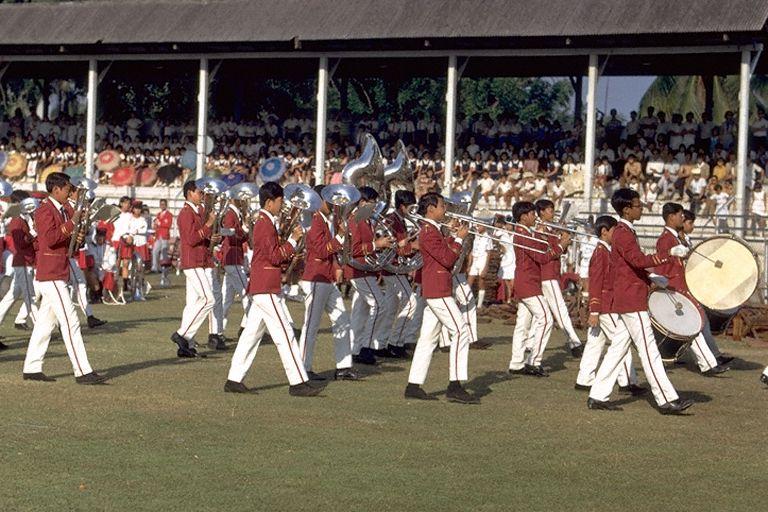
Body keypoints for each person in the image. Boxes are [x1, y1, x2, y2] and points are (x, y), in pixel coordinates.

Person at [587, 188, 693, 415]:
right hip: (631, 300)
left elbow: (629, 267)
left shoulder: (624, 232)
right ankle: (665, 399)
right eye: (637, 205)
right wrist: (669, 254)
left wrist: (653, 278)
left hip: (628, 296)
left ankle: (597, 394)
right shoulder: (623, 233)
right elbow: (637, 260)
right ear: (626, 209)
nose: (641, 208)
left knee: (617, 350)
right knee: (649, 350)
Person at [225, 181, 320, 396]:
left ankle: (234, 379)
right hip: (266, 286)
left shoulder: (264, 221)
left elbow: (273, 253)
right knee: (285, 333)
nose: (282, 205)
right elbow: (274, 255)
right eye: (280, 201)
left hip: (262, 285)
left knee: (251, 335)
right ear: (269, 202)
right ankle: (298, 381)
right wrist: (294, 242)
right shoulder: (264, 223)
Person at [22, 172, 106, 384]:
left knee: (45, 324)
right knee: (70, 321)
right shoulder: (44, 210)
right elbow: (49, 239)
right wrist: (72, 225)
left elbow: (63, 242)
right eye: (68, 189)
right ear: (56, 189)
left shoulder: (59, 210)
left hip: (58, 270)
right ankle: (82, 370)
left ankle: (31, 367)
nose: (71, 193)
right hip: (51, 273)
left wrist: (76, 236)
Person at [404, 192, 477, 404]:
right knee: (461, 330)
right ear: (430, 210)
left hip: (436, 288)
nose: (445, 210)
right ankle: (455, 385)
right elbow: (446, 258)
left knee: (428, 339)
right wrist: (458, 238)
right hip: (438, 289)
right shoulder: (428, 231)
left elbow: (441, 250)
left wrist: (452, 236)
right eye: (442, 206)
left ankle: (413, 385)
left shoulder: (431, 230)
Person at [654, 203, 730, 376]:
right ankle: (708, 363)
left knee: (697, 326)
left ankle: (710, 361)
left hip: (682, 288)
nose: (683, 218)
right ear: (671, 217)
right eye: (680, 215)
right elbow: (663, 268)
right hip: (675, 289)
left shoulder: (676, 238)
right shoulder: (666, 239)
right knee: (693, 328)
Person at [575, 215, 645, 394]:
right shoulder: (601, 252)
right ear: (604, 232)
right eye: (614, 231)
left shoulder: (606, 251)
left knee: (594, 343)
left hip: (604, 306)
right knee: (620, 344)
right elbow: (596, 283)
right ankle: (627, 381)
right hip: (606, 306)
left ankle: (584, 379)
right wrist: (595, 310)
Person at [297, 185, 360, 381]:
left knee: (342, 321)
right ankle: (303, 369)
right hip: (316, 277)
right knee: (311, 326)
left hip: (327, 278)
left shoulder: (326, 221)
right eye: (329, 200)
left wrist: (337, 265)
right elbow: (321, 251)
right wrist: (341, 235)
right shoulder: (315, 221)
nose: (333, 204)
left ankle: (343, 367)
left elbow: (330, 252)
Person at [507, 201, 570, 377]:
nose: (535, 216)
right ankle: (534, 361)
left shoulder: (528, 233)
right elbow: (543, 257)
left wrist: (556, 238)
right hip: (528, 283)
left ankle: (516, 362)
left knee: (523, 324)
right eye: (532, 214)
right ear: (523, 217)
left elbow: (545, 249)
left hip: (528, 282)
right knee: (546, 318)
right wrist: (560, 245)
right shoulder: (524, 235)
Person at [170, 180, 221, 358]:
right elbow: (191, 239)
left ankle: (186, 345)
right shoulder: (186, 213)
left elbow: (199, 239)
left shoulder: (195, 211)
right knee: (209, 300)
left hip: (199, 260)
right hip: (193, 262)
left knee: (193, 304)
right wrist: (208, 225)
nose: (202, 196)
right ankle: (182, 335)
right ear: (190, 193)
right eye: (200, 193)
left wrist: (212, 237)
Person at [344, 186, 393, 365]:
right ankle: (365, 347)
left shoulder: (366, 221)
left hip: (366, 270)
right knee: (380, 305)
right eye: (372, 203)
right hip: (359, 270)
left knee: (360, 312)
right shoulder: (355, 220)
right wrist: (377, 244)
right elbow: (353, 249)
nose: (375, 207)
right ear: (363, 202)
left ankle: (354, 348)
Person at [680, 209, 734, 366]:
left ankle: (711, 356)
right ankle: (710, 358)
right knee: (698, 323)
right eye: (690, 223)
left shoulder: (686, 240)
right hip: (683, 288)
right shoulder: (676, 241)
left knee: (699, 323)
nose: (693, 226)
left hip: (690, 286)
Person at [534, 199, 583, 357]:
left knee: (542, 314)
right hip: (547, 275)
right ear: (541, 212)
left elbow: (562, 250)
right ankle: (574, 342)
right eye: (549, 210)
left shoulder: (551, 228)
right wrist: (560, 239)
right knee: (560, 310)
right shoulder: (541, 230)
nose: (552, 213)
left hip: (553, 273)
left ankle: (529, 343)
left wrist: (565, 238)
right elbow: (547, 253)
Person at [380, 190, 419, 357]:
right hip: (393, 268)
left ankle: (381, 343)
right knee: (411, 304)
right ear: (402, 206)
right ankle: (396, 343)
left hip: (394, 268)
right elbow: (394, 247)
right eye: (410, 207)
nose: (413, 211)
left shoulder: (398, 219)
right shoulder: (391, 220)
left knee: (391, 308)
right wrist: (413, 246)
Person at [65, 187, 106, 328]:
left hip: (73, 253)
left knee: (76, 286)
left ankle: (88, 317)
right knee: (78, 285)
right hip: (68, 254)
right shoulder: (69, 208)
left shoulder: (74, 208)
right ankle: (86, 317)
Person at [0, 194, 39, 334]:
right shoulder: (17, 222)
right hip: (22, 262)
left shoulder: (24, 220)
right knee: (30, 296)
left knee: (12, 296)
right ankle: (39, 328)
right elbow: (21, 243)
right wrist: (34, 232)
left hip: (25, 262)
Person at [219, 193, 249, 340]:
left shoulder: (236, 214)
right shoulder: (231, 214)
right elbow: (230, 236)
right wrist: (245, 230)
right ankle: (247, 327)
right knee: (247, 293)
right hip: (233, 258)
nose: (244, 201)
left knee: (227, 299)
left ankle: (219, 332)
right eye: (242, 198)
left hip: (234, 259)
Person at [466, 224, 492, 310]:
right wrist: (469, 264)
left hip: (482, 260)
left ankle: (479, 305)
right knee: (469, 282)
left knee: (481, 282)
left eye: (479, 226)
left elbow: (489, 253)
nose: (478, 228)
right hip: (475, 260)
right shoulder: (476, 236)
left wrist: (486, 267)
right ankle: (466, 301)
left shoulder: (488, 237)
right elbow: (472, 251)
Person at [151, 199, 173, 273]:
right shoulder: (158, 214)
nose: (162, 206)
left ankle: (163, 268)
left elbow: (168, 225)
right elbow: (157, 224)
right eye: (161, 204)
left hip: (164, 236)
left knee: (164, 253)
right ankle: (155, 267)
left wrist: (160, 223)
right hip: (158, 235)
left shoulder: (169, 215)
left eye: (163, 204)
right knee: (155, 251)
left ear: (166, 205)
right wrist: (155, 225)